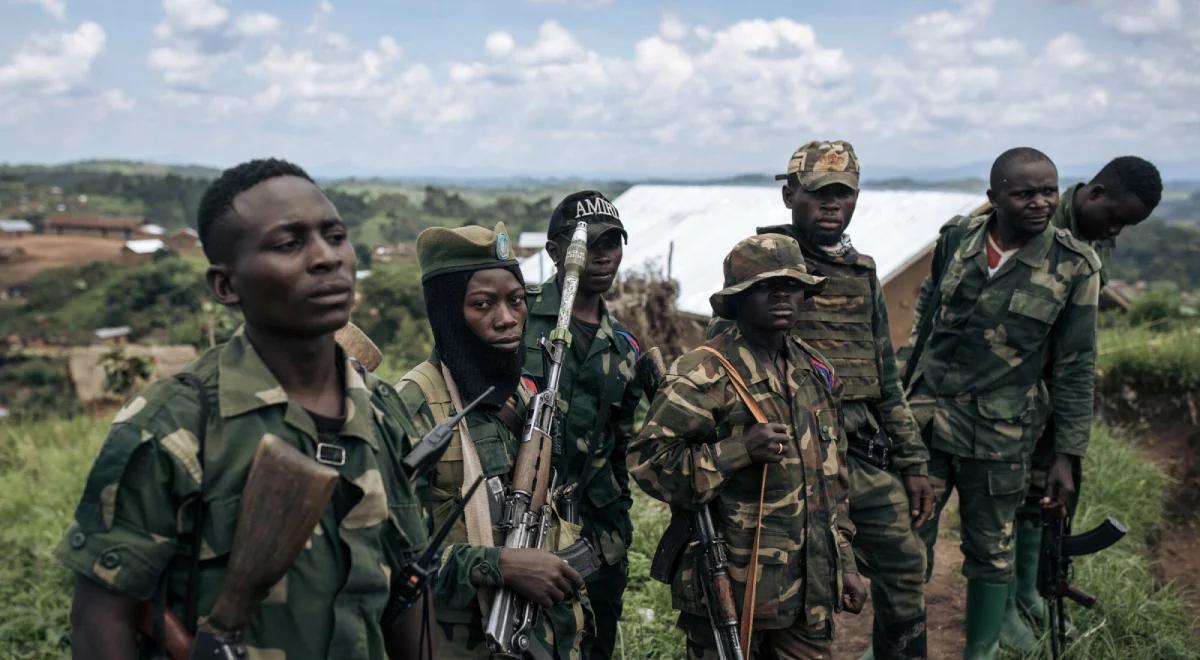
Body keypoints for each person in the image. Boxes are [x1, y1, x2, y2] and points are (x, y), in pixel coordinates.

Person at [56, 158, 431, 659]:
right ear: (225, 286)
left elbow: (404, 596)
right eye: (288, 244)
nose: (326, 258)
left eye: (335, 235)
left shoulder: (383, 413)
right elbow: (105, 617)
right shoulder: (173, 425)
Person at [711, 140, 932, 659]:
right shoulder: (763, 266)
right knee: (780, 588)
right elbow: (722, 367)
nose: (831, 205)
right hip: (786, 456)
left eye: (842, 194)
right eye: (818, 193)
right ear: (790, 195)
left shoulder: (863, 273)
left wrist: (913, 460)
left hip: (859, 451)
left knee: (905, 567)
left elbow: (885, 378)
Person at [904, 148, 1101, 659]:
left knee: (991, 550)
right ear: (994, 198)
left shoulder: (1073, 266)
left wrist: (1065, 454)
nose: (1040, 203)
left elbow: (1075, 367)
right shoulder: (957, 239)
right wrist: (899, 401)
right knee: (906, 540)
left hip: (1000, 435)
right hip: (926, 423)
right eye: (1025, 193)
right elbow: (925, 319)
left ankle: (982, 650)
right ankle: (893, 645)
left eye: (1049, 192)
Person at [632, 234, 867, 660]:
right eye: (764, 287)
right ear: (737, 300)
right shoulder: (702, 375)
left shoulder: (817, 372)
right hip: (733, 590)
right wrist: (737, 450)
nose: (781, 295)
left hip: (808, 590)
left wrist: (845, 564)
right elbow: (649, 464)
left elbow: (832, 483)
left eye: (792, 286)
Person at [394, 221, 590, 659]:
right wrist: (499, 564)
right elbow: (389, 556)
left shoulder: (520, 393)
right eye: (483, 305)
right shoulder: (413, 407)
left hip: (544, 635)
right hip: (463, 642)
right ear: (448, 313)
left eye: (516, 301)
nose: (507, 319)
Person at [997, 155, 1162, 652]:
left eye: (1125, 226)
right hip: (1011, 390)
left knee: (1041, 494)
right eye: (1113, 218)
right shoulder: (1036, 226)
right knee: (1000, 502)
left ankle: (1026, 590)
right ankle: (1001, 610)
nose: (1115, 230)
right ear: (1093, 194)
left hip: (1059, 386)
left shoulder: (1097, 239)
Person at [522, 191, 645, 659]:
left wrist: (618, 522)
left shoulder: (624, 348)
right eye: (591, 244)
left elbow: (622, 443)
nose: (604, 256)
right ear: (556, 252)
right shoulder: (519, 318)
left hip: (598, 531)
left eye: (613, 244)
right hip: (525, 519)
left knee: (596, 642)